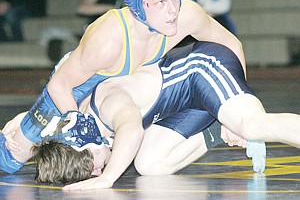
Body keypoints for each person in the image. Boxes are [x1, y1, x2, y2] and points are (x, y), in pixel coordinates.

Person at [1, 0, 263, 175]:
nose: (172, 10)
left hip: (117, 83)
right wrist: (69, 125)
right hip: (78, 81)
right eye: (161, 2)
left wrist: (237, 106)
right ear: (142, 7)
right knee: (10, 157)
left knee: (131, 149)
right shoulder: (108, 40)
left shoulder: (183, 17)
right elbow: (60, 86)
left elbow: (231, 43)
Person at [31, 40, 300, 192]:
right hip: (187, 103)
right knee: (150, 164)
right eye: (96, 173)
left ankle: (236, 119)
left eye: (94, 166)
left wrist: (107, 178)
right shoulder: (75, 123)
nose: (99, 170)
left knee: (252, 125)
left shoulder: (108, 104)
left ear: (85, 140)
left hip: (202, 67)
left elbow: (132, 131)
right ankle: (219, 126)